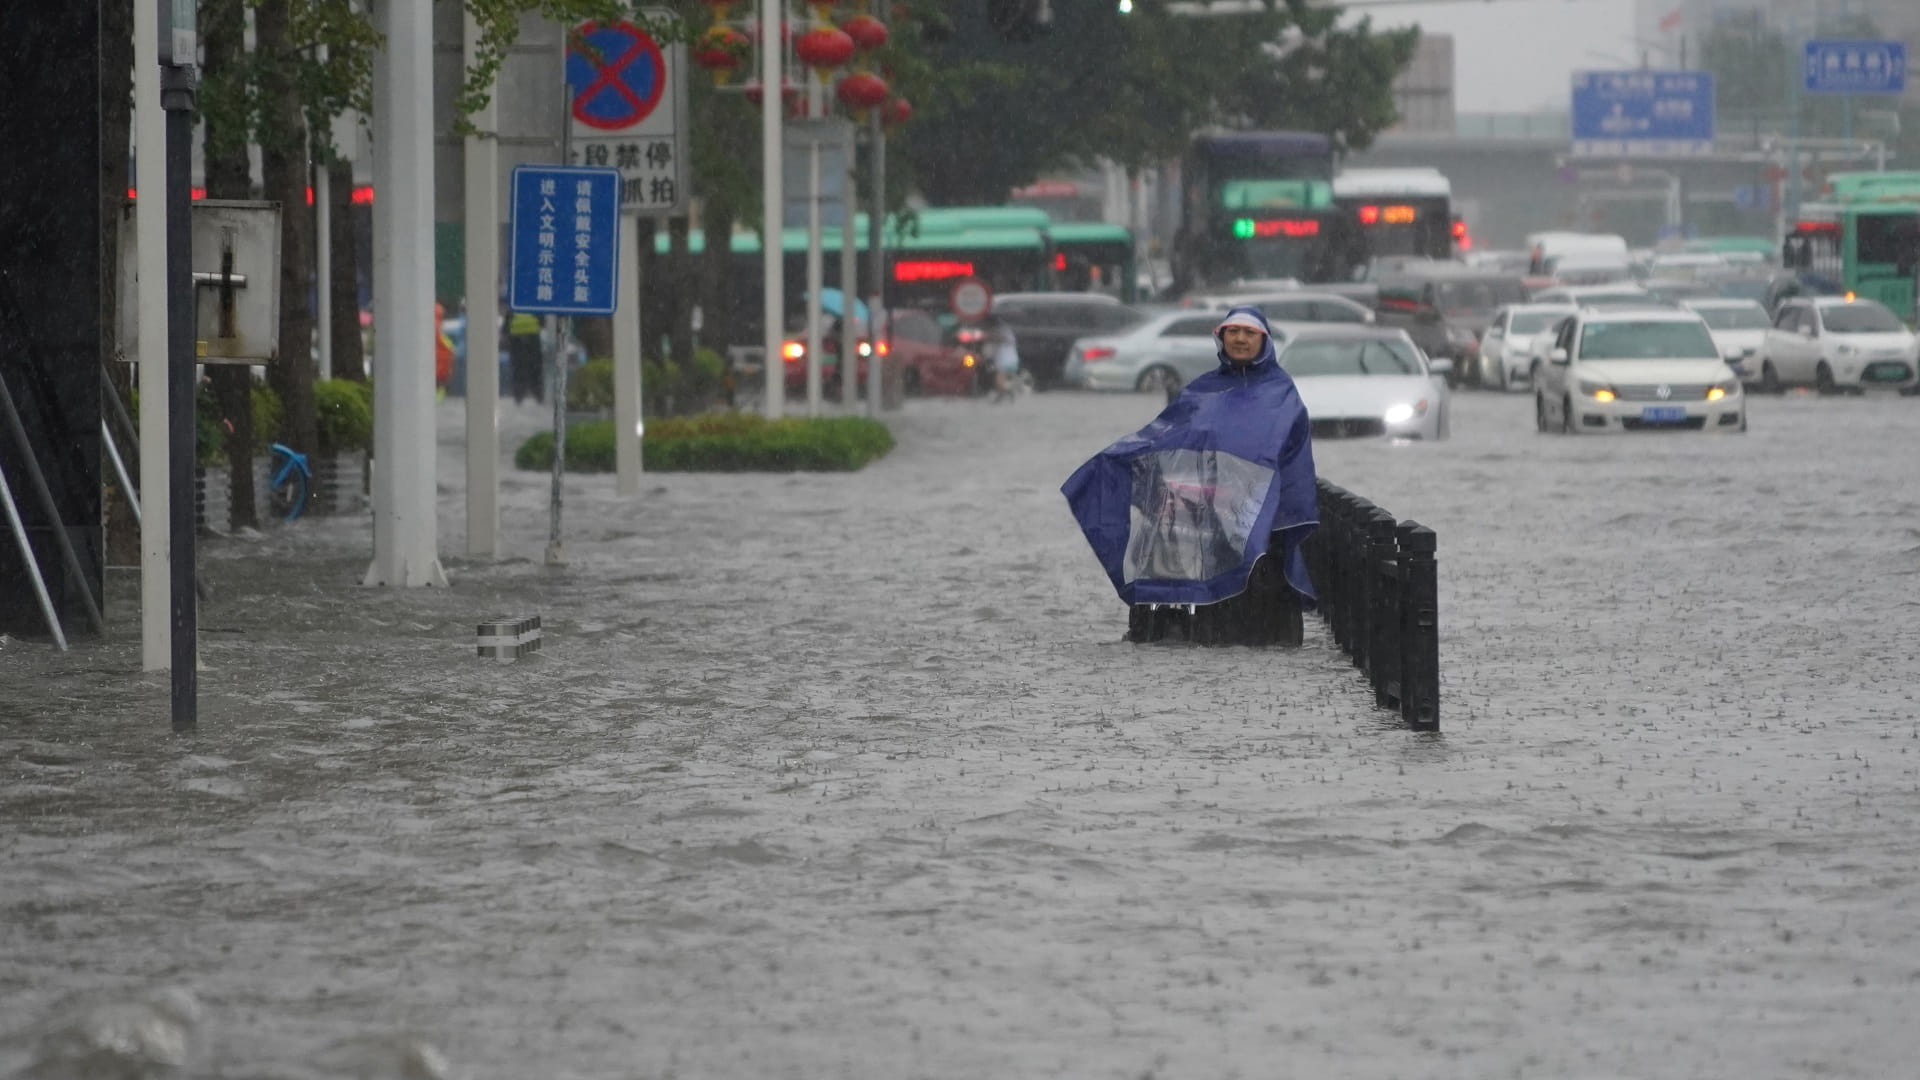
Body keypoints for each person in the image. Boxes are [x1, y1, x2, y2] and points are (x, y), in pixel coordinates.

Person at [1061, 305, 1317, 629]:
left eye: (1249, 333)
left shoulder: (1281, 393)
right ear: (1221, 337)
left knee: (1249, 586)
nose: (1239, 339)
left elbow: (1292, 459)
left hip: (1257, 517)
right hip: (1195, 515)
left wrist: (1279, 515)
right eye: (1232, 332)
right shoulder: (1202, 390)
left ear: (1264, 341)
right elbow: (1165, 436)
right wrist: (1120, 459)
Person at [506, 311, 544, 404]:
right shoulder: (534, 307)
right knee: (535, 370)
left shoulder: (513, 307)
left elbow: (506, 327)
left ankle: (519, 396)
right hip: (532, 339)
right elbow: (542, 322)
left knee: (518, 369)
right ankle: (538, 395)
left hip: (516, 339)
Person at [984, 315, 1021, 401]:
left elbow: (1002, 339)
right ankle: (1003, 396)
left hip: (1007, 361)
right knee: (999, 382)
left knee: (999, 381)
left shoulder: (1003, 331)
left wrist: (989, 336)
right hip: (1006, 360)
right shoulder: (1003, 330)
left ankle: (1007, 395)